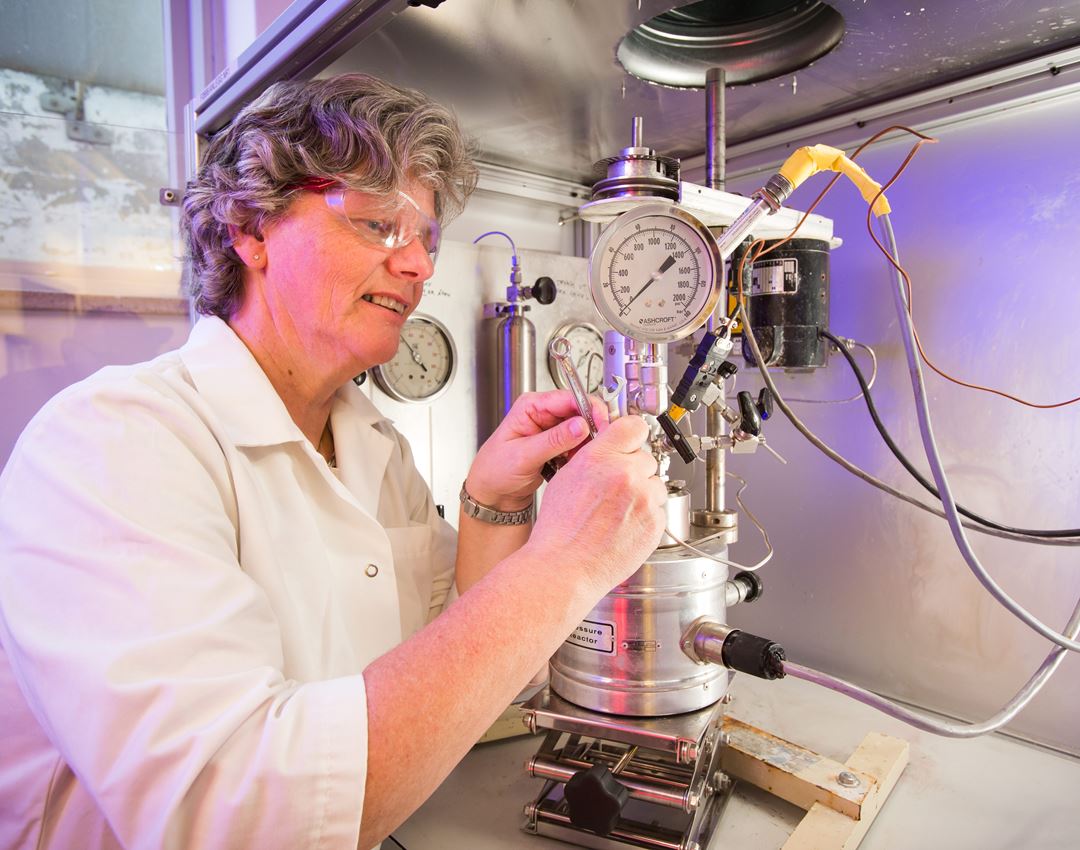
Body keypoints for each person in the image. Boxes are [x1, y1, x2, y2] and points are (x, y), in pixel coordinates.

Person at [0, 74, 667, 849]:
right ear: (252, 229)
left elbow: (478, 678)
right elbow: (237, 819)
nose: (418, 264)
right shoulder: (113, 444)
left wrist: (494, 503)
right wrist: (568, 561)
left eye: (427, 238)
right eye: (381, 223)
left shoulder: (372, 448)